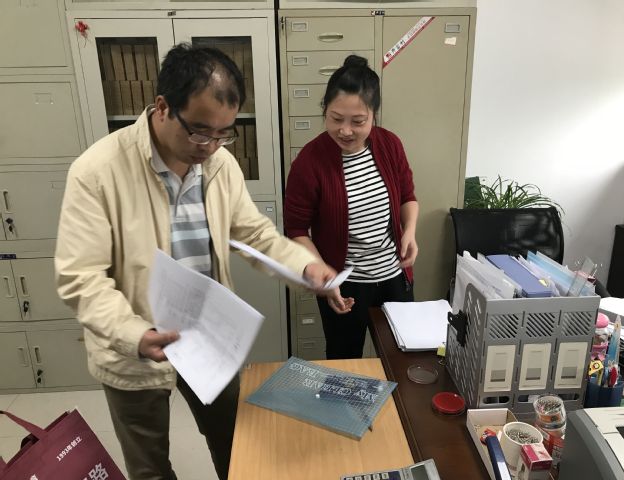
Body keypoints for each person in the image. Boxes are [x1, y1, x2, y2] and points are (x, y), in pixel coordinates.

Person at [55, 43, 336, 480]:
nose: (211, 146)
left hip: (207, 338)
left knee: (235, 446)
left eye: (224, 133)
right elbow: (80, 278)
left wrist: (304, 266)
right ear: (163, 107)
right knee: (149, 467)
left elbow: (254, 234)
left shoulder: (220, 165)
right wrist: (135, 334)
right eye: (200, 131)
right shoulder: (97, 172)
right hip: (135, 349)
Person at [284, 55, 419, 360]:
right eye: (336, 119)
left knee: (403, 358)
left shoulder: (390, 145)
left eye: (358, 121)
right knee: (344, 361)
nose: (345, 130)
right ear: (325, 111)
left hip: (394, 276)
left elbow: (407, 197)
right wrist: (323, 273)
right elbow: (296, 229)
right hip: (344, 283)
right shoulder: (309, 162)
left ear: (373, 116)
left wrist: (409, 231)